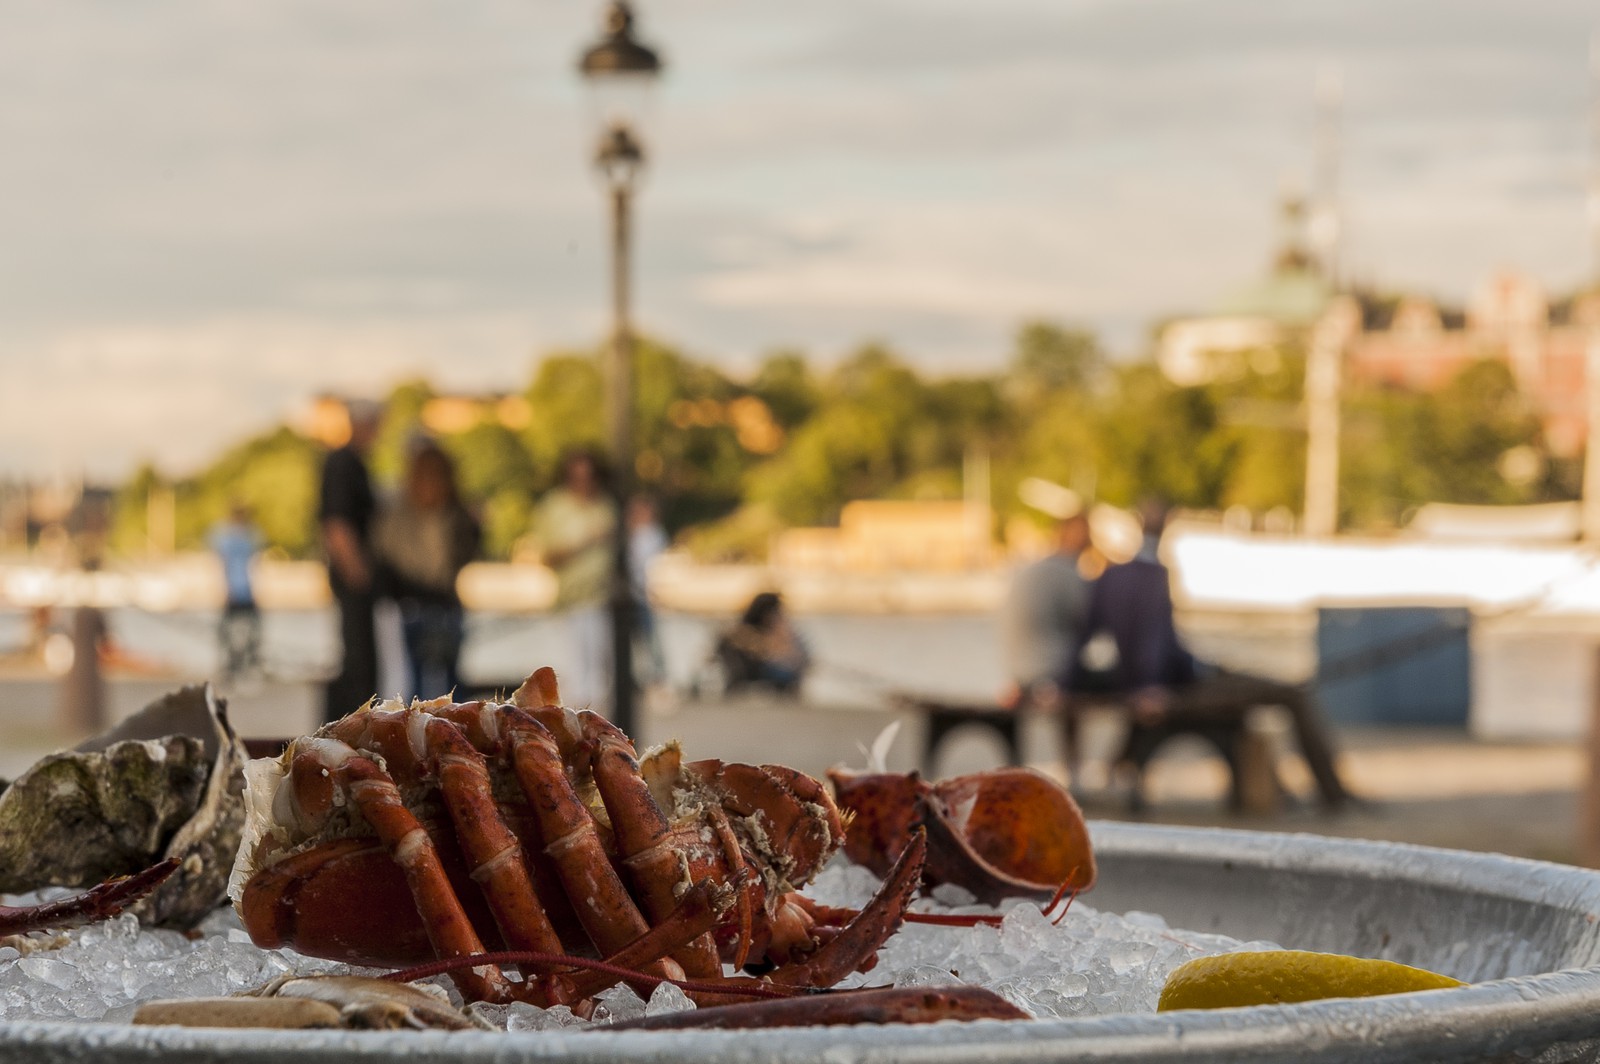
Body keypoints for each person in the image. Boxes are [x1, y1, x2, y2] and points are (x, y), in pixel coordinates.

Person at [1069, 500, 1356, 811]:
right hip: (1179, 686)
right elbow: (1153, 639)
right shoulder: (1153, 575)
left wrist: (1061, 682)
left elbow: (1085, 637)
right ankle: (1335, 796)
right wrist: (1149, 687)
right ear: (1166, 527)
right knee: (1292, 694)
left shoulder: (1110, 578)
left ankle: (1292, 792)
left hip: (1177, 678)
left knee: (1266, 694)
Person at [372, 442, 481, 700]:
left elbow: (385, 554)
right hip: (424, 605)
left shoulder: (449, 516)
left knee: (423, 685)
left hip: (426, 605)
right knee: (428, 685)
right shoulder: (445, 515)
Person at [999, 511, 1093, 776]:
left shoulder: (1033, 568)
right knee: (1097, 683)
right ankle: (1074, 768)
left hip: (1018, 670)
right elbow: (1086, 621)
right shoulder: (1066, 571)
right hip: (1050, 672)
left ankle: (1018, 768)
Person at [534, 448, 615, 711]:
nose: (584, 483)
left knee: (599, 680)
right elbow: (546, 555)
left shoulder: (606, 505)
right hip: (569, 602)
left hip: (602, 601)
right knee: (572, 678)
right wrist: (584, 541)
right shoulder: (554, 507)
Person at [317, 399, 382, 723]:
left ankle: (350, 722)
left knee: (361, 658)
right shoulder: (344, 462)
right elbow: (336, 522)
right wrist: (357, 572)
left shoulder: (352, 462)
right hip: (353, 574)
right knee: (358, 660)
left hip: (354, 572)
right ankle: (346, 724)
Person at [717, 591, 810, 697]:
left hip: (764, 677)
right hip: (757, 678)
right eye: (776, 612)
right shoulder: (744, 634)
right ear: (765, 613)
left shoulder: (770, 633)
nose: (780, 616)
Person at [208, 501, 263, 682]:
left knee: (248, 630)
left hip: (245, 590)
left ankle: (247, 664)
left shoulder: (242, 536)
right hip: (237, 590)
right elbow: (223, 564)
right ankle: (233, 666)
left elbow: (254, 564)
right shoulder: (237, 537)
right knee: (229, 631)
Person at [627, 495, 669, 686]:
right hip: (635, 595)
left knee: (650, 639)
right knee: (637, 640)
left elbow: (650, 565)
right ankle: (641, 677)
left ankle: (657, 677)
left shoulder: (652, 535)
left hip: (643, 595)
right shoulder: (633, 534)